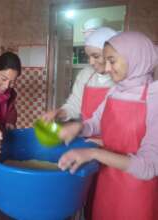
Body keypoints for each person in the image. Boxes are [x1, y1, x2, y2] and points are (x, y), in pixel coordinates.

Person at [58, 32, 158, 220]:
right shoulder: (115, 90)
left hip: (135, 193)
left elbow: (150, 166)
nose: (107, 68)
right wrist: (78, 127)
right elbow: (97, 123)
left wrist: (93, 153)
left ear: (134, 57)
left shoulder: (155, 97)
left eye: (112, 61)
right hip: (106, 181)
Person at [42, 27, 117, 122]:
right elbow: (75, 104)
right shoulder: (85, 74)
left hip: (114, 136)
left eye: (96, 56)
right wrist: (60, 112)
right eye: (88, 56)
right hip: (87, 132)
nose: (91, 62)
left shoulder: (124, 79)